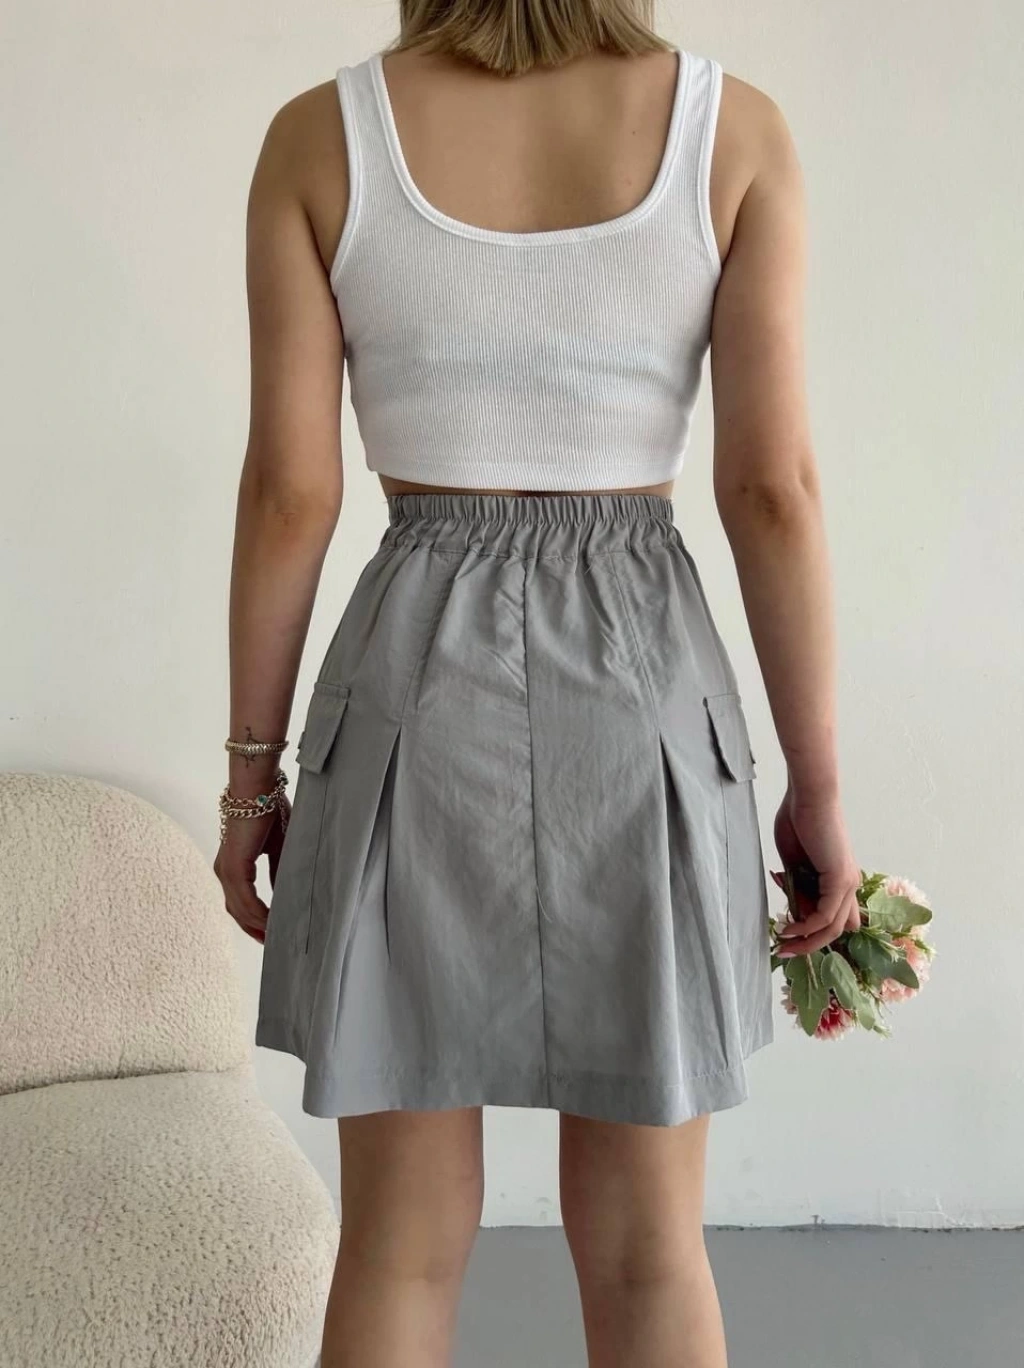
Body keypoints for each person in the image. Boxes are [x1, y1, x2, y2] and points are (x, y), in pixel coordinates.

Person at [214, 3, 861, 1365]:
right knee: (647, 1252)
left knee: (396, 1250)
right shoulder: (731, 132)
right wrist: (818, 783)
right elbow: (771, 490)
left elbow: (289, 496)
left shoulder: (319, 138)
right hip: (643, 687)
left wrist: (250, 783)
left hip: (411, 686)